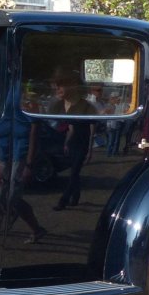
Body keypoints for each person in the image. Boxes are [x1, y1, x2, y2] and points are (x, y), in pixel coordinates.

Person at [46, 69, 96, 211]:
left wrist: (90, 149)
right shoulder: (58, 106)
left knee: (74, 173)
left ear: (73, 85)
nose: (57, 88)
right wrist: (67, 143)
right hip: (73, 144)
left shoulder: (87, 106)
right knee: (74, 173)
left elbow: (92, 128)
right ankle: (75, 197)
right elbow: (71, 128)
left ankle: (63, 201)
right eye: (56, 86)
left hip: (83, 144)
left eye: (61, 85)